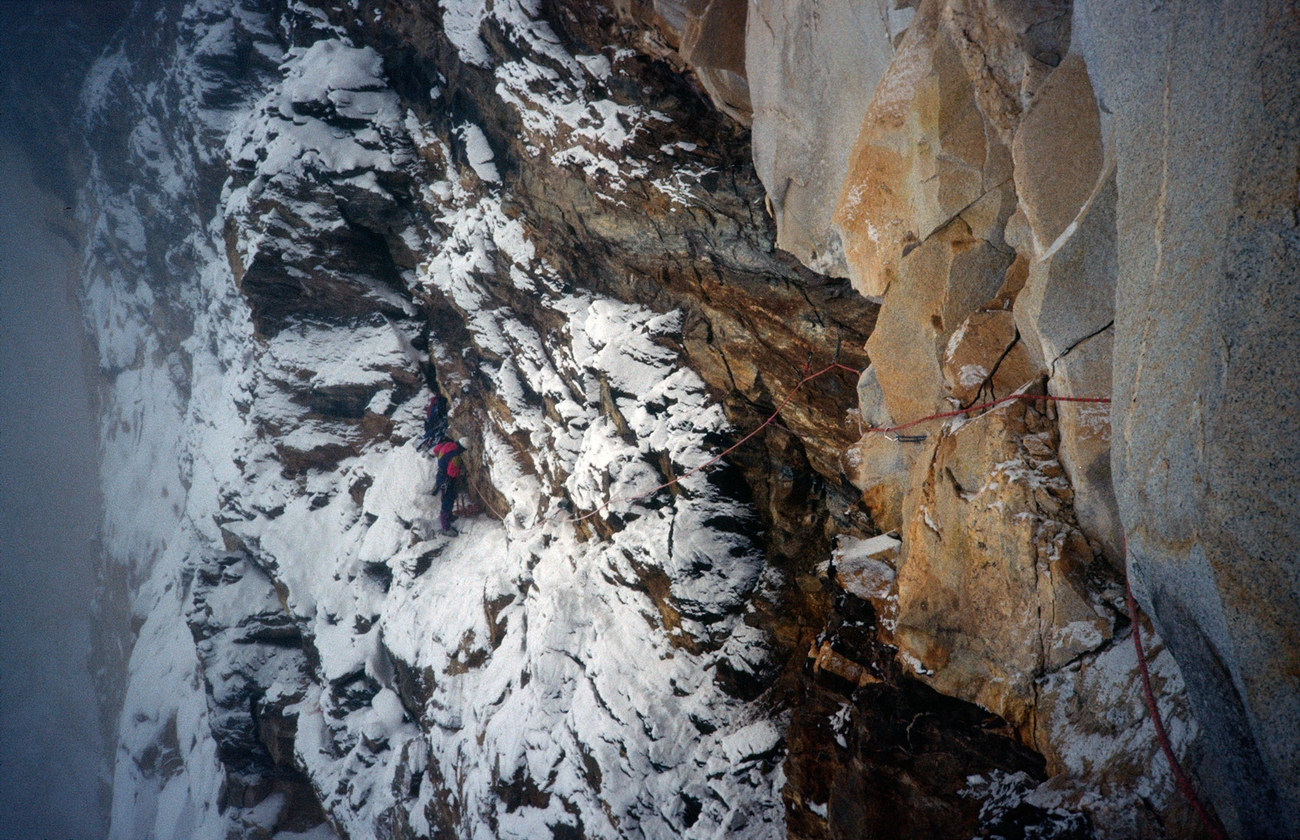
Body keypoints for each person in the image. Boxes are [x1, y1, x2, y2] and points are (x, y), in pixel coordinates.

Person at [430, 437, 466, 534]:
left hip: (441, 475)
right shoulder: (455, 456)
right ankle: (445, 527)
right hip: (447, 480)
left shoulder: (447, 444)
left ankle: (449, 516)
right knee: (448, 500)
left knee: (450, 497)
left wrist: (444, 462)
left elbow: (436, 450)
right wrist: (460, 471)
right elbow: (452, 473)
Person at [416, 388, 448, 452]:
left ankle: (427, 445)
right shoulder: (436, 402)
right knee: (433, 433)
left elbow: (430, 413)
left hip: (432, 421)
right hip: (433, 421)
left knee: (431, 434)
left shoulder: (433, 402)